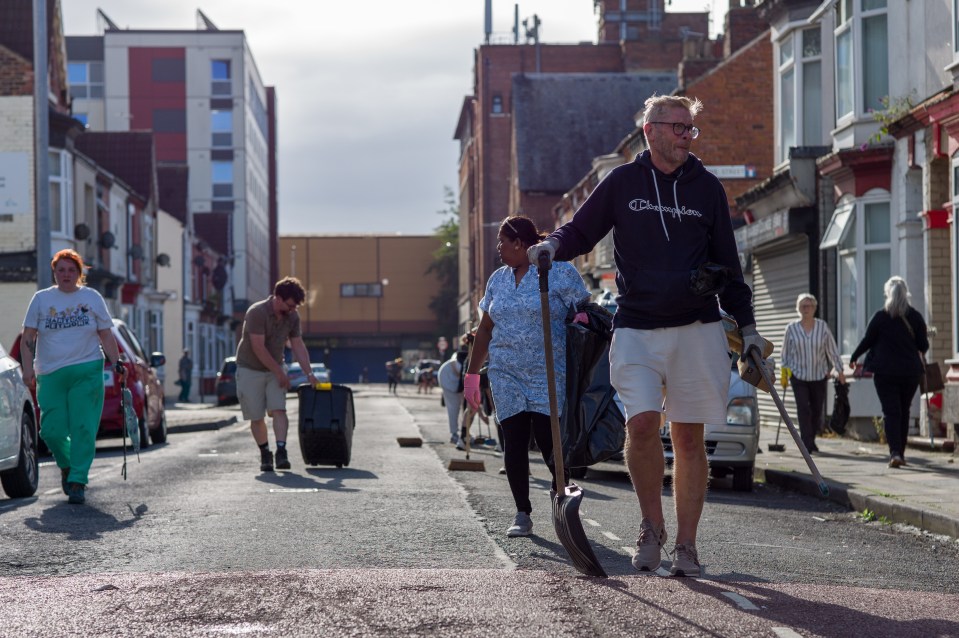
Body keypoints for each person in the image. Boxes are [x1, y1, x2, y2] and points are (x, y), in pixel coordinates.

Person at [526, 94, 762, 576]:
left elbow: (731, 267)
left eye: (690, 128)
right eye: (677, 127)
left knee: (690, 437)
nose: (686, 136)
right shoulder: (622, 182)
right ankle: (651, 527)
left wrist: (751, 328)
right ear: (650, 130)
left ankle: (688, 545)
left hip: (697, 325)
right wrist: (552, 244)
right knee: (640, 425)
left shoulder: (708, 189)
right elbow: (582, 230)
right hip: (636, 324)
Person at [464, 215, 590, 538]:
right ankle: (522, 512)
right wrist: (472, 376)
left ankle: (561, 496)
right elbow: (485, 329)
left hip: (546, 370)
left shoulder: (557, 270)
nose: (498, 248)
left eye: (502, 242)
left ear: (520, 243)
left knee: (550, 442)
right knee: (514, 441)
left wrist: (580, 319)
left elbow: (584, 313)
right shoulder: (498, 280)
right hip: (505, 372)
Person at [20, 249, 125, 505]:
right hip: (51, 372)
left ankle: (78, 480)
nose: (66, 275)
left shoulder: (91, 297)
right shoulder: (41, 299)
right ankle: (67, 465)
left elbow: (106, 334)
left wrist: (116, 361)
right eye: (61, 270)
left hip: (87, 369)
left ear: (79, 273)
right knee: (52, 431)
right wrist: (27, 369)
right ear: (54, 273)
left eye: (71, 270)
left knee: (83, 427)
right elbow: (27, 338)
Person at [235, 276, 318, 472]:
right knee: (256, 416)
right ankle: (265, 453)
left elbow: (297, 345)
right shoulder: (257, 313)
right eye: (290, 305)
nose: (292, 309)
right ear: (278, 297)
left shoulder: (292, 317)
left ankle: (281, 451)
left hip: (275, 368)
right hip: (250, 368)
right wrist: (280, 372)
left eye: (295, 307)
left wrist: (310, 374)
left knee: (279, 409)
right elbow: (258, 348)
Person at [849, 276, 928, 468]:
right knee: (904, 411)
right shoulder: (915, 317)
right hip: (910, 372)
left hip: (885, 372)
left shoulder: (880, 317)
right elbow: (923, 345)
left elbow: (867, 340)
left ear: (887, 293)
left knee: (891, 412)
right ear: (906, 293)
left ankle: (895, 453)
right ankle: (900, 452)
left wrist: (854, 357)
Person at [780, 294, 847, 454]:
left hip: (818, 375)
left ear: (815, 308)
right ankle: (806, 443)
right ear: (798, 308)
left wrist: (840, 370)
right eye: (803, 306)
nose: (806, 309)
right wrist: (784, 374)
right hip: (798, 375)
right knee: (804, 409)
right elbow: (785, 354)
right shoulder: (791, 328)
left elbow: (832, 349)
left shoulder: (822, 327)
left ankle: (811, 440)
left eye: (809, 306)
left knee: (817, 410)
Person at [438, 334, 469, 445]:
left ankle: (462, 433)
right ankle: (454, 434)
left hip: (454, 380)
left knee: (462, 407)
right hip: (448, 379)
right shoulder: (461, 357)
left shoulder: (467, 356)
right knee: (453, 407)